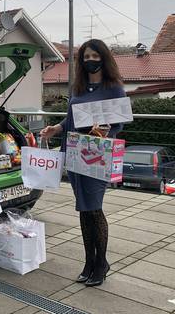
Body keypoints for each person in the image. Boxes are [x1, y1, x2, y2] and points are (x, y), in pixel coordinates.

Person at [40, 39, 125, 287]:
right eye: (86, 57)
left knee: (94, 208)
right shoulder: (78, 88)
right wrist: (55, 129)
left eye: (95, 56)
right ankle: (89, 261)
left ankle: (102, 263)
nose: (91, 61)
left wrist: (105, 131)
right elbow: (70, 121)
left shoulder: (114, 88)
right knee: (83, 209)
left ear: (104, 58)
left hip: (97, 156)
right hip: (75, 153)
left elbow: (118, 125)